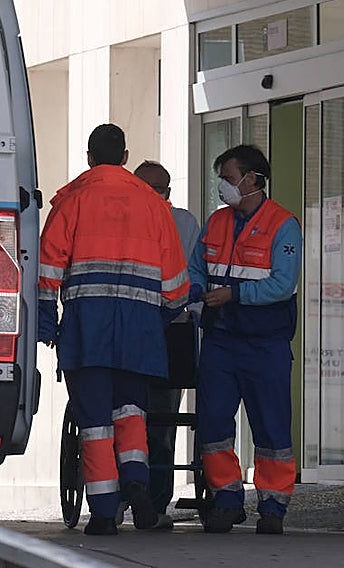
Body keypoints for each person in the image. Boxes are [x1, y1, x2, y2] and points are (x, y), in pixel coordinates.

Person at [37, 124, 190, 536]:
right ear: (125, 157)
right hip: (140, 331)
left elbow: (48, 268)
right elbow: (176, 285)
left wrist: (47, 321)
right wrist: (157, 319)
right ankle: (137, 480)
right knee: (131, 411)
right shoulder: (154, 205)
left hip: (88, 329)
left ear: (89, 157)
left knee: (95, 422)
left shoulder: (72, 200)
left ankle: (105, 512)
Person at [188, 144, 301, 535]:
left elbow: (282, 285)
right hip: (220, 339)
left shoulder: (283, 225)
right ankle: (227, 499)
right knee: (214, 422)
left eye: (230, 178)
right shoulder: (216, 222)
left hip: (264, 340)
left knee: (271, 428)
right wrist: (198, 290)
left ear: (253, 179)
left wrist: (234, 295)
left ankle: (272, 506)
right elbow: (196, 267)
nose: (225, 186)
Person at [133, 160, 200, 529]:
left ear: (168, 193)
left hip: (169, 330)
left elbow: (186, 277)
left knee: (160, 422)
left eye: (159, 189)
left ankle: (156, 502)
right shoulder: (118, 220)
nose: (154, 196)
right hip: (132, 327)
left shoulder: (184, 224)